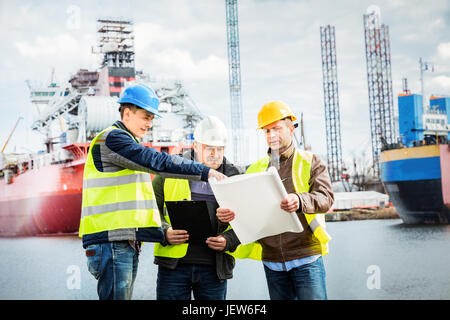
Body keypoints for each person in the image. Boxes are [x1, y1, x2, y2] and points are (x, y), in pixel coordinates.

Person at [79, 84, 226, 300]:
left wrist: (159, 233)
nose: (150, 124)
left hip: (122, 241)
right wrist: (206, 172)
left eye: (152, 118)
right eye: (146, 117)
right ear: (127, 113)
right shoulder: (113, 139)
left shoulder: (126, 143)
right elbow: (157, 161)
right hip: (110, 241)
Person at [217, 101, 334, 300]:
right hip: (272, 261)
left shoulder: (310, 161)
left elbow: (326, 198)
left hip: (306, 255)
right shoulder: (255, 169)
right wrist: (227, 217)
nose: (272, 135)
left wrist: (299, 200)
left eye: (277, 129)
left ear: (291, 128)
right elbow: (247, 213)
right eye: (267, 131)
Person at [152, 116, 241, 300]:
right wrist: (164, 232)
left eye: (220, 149)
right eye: (209, 147)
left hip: (215, 268)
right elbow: (150, 210)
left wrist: (228, 240)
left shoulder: (234, 176)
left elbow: (248, 219)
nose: (215, 154)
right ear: (195, 145)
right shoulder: (171, 169)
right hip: (173, 267)